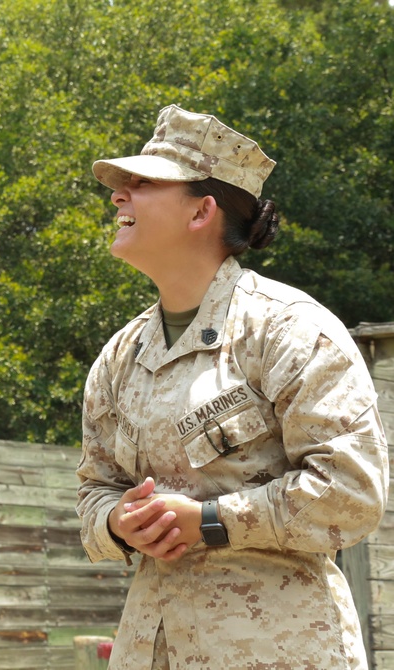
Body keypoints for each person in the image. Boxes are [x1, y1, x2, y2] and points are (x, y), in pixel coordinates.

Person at [75, 104, 389, 669]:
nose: (119, 195)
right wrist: (118, 523)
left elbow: (352, 495)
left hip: (281, 651)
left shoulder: (290, 331)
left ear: (202, 210)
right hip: (153, 650)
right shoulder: (121, 357)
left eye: (142, 182)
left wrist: (211, 521)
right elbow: (94, 489)